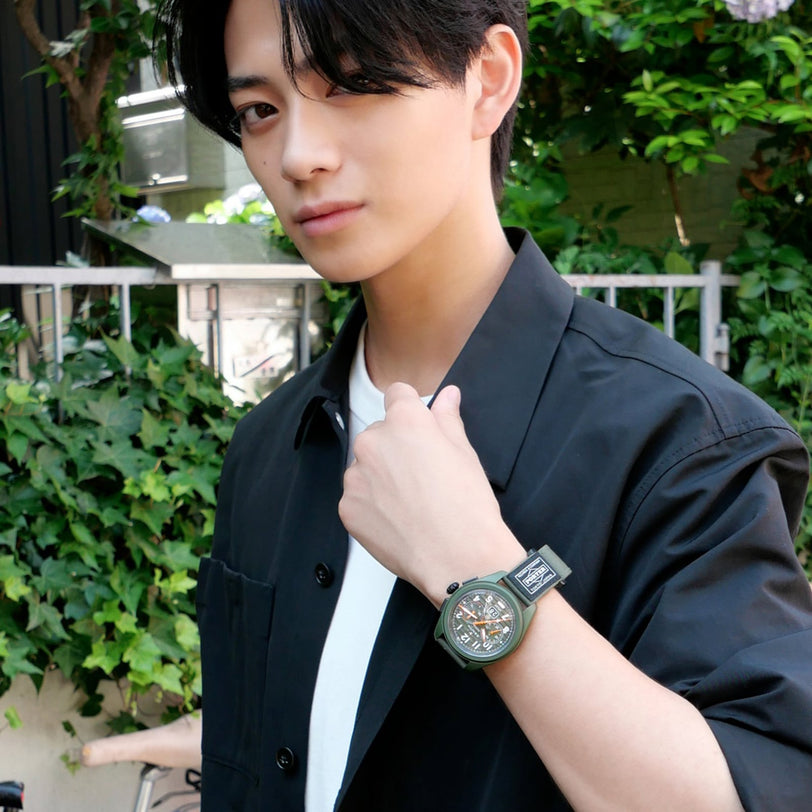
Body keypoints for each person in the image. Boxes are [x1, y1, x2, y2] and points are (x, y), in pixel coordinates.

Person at [155, 0, 812, 809]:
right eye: (261, 110)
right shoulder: (267, 446)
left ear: (488, 79)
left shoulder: (681, 444)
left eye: (355, 84)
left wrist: (477, 576)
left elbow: (754, 790)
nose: (299, 155)